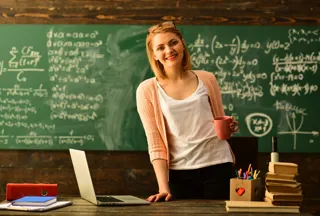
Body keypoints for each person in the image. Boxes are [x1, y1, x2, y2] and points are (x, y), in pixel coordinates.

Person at [136, 21, 237, 202]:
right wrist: (163, 187)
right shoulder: (147, 89)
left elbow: (220, 124)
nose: (169, 50)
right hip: (179, 174)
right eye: (160, 47)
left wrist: (229, 127)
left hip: (219, 166)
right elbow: (155, 144)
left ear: (182, 43)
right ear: (154, 55)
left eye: (173, 42)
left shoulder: (207, 79)